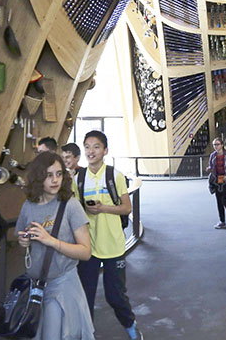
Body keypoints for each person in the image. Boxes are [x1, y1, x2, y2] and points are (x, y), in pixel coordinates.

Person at [16, 152, 95, 339]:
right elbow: (24, 246)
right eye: (49, 175)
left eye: (59, 174)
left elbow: (86, 252)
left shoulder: (71, 206)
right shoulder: (29, 205)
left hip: (62, 286)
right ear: (38, 176)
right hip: (36, 288)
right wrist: (24, 242)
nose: (55, 180)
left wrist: (51, 241)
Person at [75, 131, 143, 340]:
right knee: (85, 296)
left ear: (105, 150)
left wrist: (103, 208)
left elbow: (126, 208)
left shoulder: (115, 175)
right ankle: (88, 333)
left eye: (96, 147)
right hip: (89, 247)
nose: (91, 151)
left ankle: (131, 326)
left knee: (115, 296)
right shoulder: (79, 178)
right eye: (87, 146)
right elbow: (75, 210)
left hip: (113, 245)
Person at [206, 138, 226, 229]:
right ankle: (222, 221)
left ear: (222, 145)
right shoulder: (213, 155)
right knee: (219, 201)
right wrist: (210, 169)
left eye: (217, 144)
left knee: (225, 200)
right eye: (214, 145)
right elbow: (212, 166)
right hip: (216, 180)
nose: (216, 146)